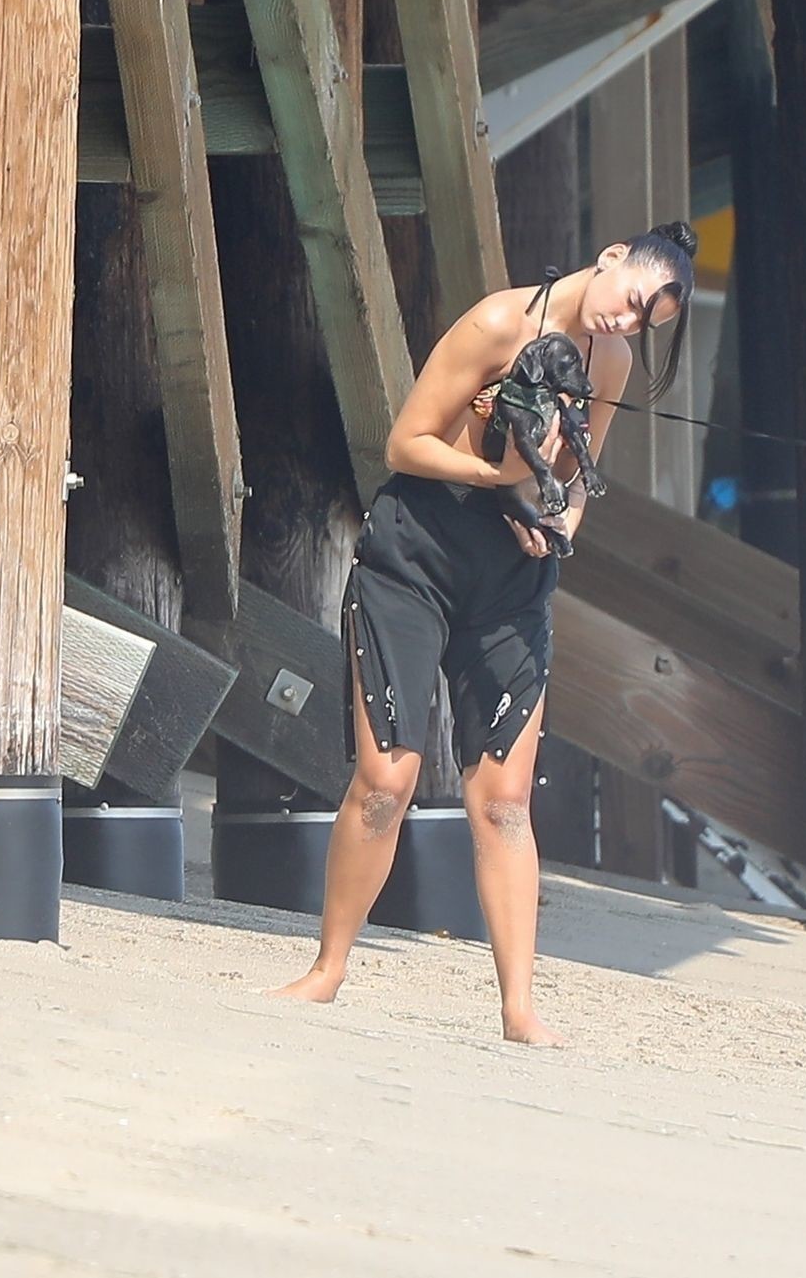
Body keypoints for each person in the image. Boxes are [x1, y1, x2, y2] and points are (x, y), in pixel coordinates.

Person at [273, 222, 699, 1045]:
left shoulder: (608, 362)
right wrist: (497, 475)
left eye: (646, 321)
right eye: (631, 299)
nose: (625, 321)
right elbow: (404, 442)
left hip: (509, 582)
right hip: (414, 557)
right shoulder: (498, 322)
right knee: (387, 779)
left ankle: (519, 1009)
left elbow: (578, 479)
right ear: (611, 257)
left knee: (504, 802)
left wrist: (557, 522)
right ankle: (327, 969)